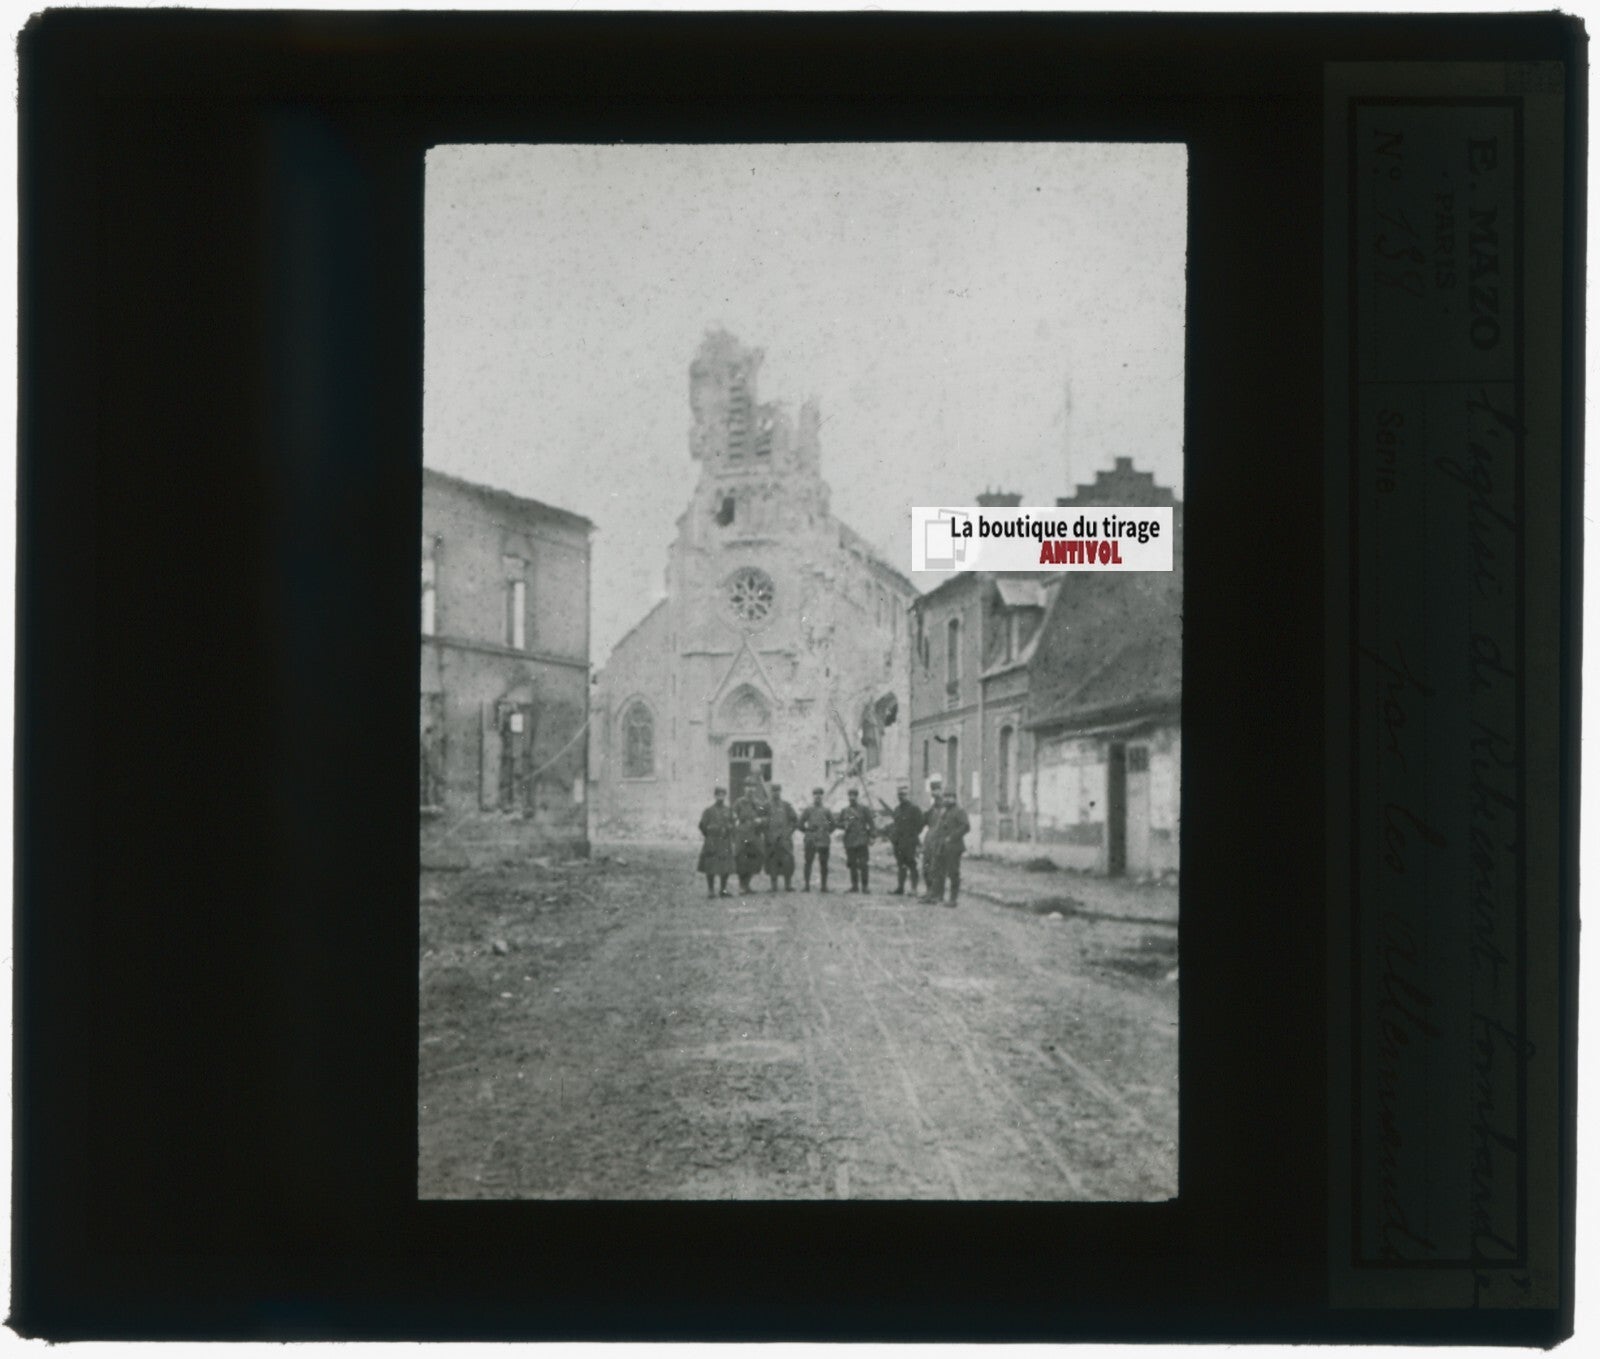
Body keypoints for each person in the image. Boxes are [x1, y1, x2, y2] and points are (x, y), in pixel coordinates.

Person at [927, 791, 971, 906]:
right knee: (938, 871)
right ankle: (937, 896)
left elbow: (965, 826)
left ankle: (953, 899)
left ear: (955, 798)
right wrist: (935, 840)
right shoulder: (945, 811)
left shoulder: (959, 811)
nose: (947, 799)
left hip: (954, 847)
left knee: (953, 873)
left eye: (950, 797)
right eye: (945, 797)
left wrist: (951, 837)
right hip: (941, 847)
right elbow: (940, 828)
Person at [887, 785, 926, 896]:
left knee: (912, 864)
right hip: (898, 842)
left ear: (908, 795)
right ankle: (900, 888)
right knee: (900, 865)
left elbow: (920, 824)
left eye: (904, 794)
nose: (901, 797)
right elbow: (895, 824)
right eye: (900, 794)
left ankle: (914, 889)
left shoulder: (914, 809)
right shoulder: (897, 809)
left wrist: (912, 835)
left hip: (910, 842)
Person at [697, 786, 735, 898]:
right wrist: (710, 835)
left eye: (723, 795)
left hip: (724, 842)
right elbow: (702, 825)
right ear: (715, 796)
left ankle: (723, 889)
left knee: (725, 866)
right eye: (718, 795)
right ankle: (711, 890)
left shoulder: (728, 810)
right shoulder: (709, 811)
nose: (720, 797)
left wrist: (729, 828)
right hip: (712, 842)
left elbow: (733, 824)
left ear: (725, 796)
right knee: (710, 866)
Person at [838, 787, 877, 894]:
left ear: (857, 797)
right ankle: (854, 886)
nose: (852, 798)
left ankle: (865, 886)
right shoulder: (845, 811)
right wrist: (843, 824)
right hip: (850, 841)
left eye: (854, 795)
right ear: (848, 797)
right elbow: (837, 823)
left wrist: (873, 836)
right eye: (850, 796)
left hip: (862, 840)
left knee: (863, 864)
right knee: (852, 864)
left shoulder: (864, 809)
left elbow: (872, 824)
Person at [763, 782, 798, 892]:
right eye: (774, 791)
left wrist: (789, 832)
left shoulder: (786, 805)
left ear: (780, 792)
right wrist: (767, 834)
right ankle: (773, 885)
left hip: (784, 839)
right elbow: (761, 822)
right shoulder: (766, 806)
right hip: (771, 839)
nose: (776, 793)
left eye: (777, 791)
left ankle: (788, 885)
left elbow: (795, 820)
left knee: (787, 861)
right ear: (771, 792)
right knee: (772, 861)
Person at [732, 785, 768, 893]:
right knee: (741, 859)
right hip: (742, 835)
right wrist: (736, 821)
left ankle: (747, 884)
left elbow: (766, 817)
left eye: (752, 787)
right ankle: (742, 885)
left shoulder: (759, 804)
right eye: (748, 787)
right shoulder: (739, 802)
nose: (750, 789)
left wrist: (760, 820)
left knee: (755, 858)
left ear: (755, 789)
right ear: (744, 789)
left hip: (755, 835)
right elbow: (732, 815)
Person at [798, 787, 834, 892]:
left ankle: (824, 886)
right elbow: (800, 824)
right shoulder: (808, 810)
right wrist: (807, 831)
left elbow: (833, 824)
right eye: (815, 794)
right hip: (811, 840)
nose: (818, 796)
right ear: (813, 796)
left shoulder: (826, 811)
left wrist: (827, 831)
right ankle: (806, 886)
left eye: (820, 794)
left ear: (822, 796)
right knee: (808, 862)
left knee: (824, 863)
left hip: (823, 840)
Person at [918, 777, 946, 900]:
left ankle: (938, 894)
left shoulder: (946, 808)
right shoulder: (931, 808)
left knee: (938, 869)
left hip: (940, 841)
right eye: (933, 790)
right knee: (926, 867)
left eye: (937, 790)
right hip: (929, 841)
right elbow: (922, 822)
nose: (935, 792)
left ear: (941, 790)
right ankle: (929, 891)